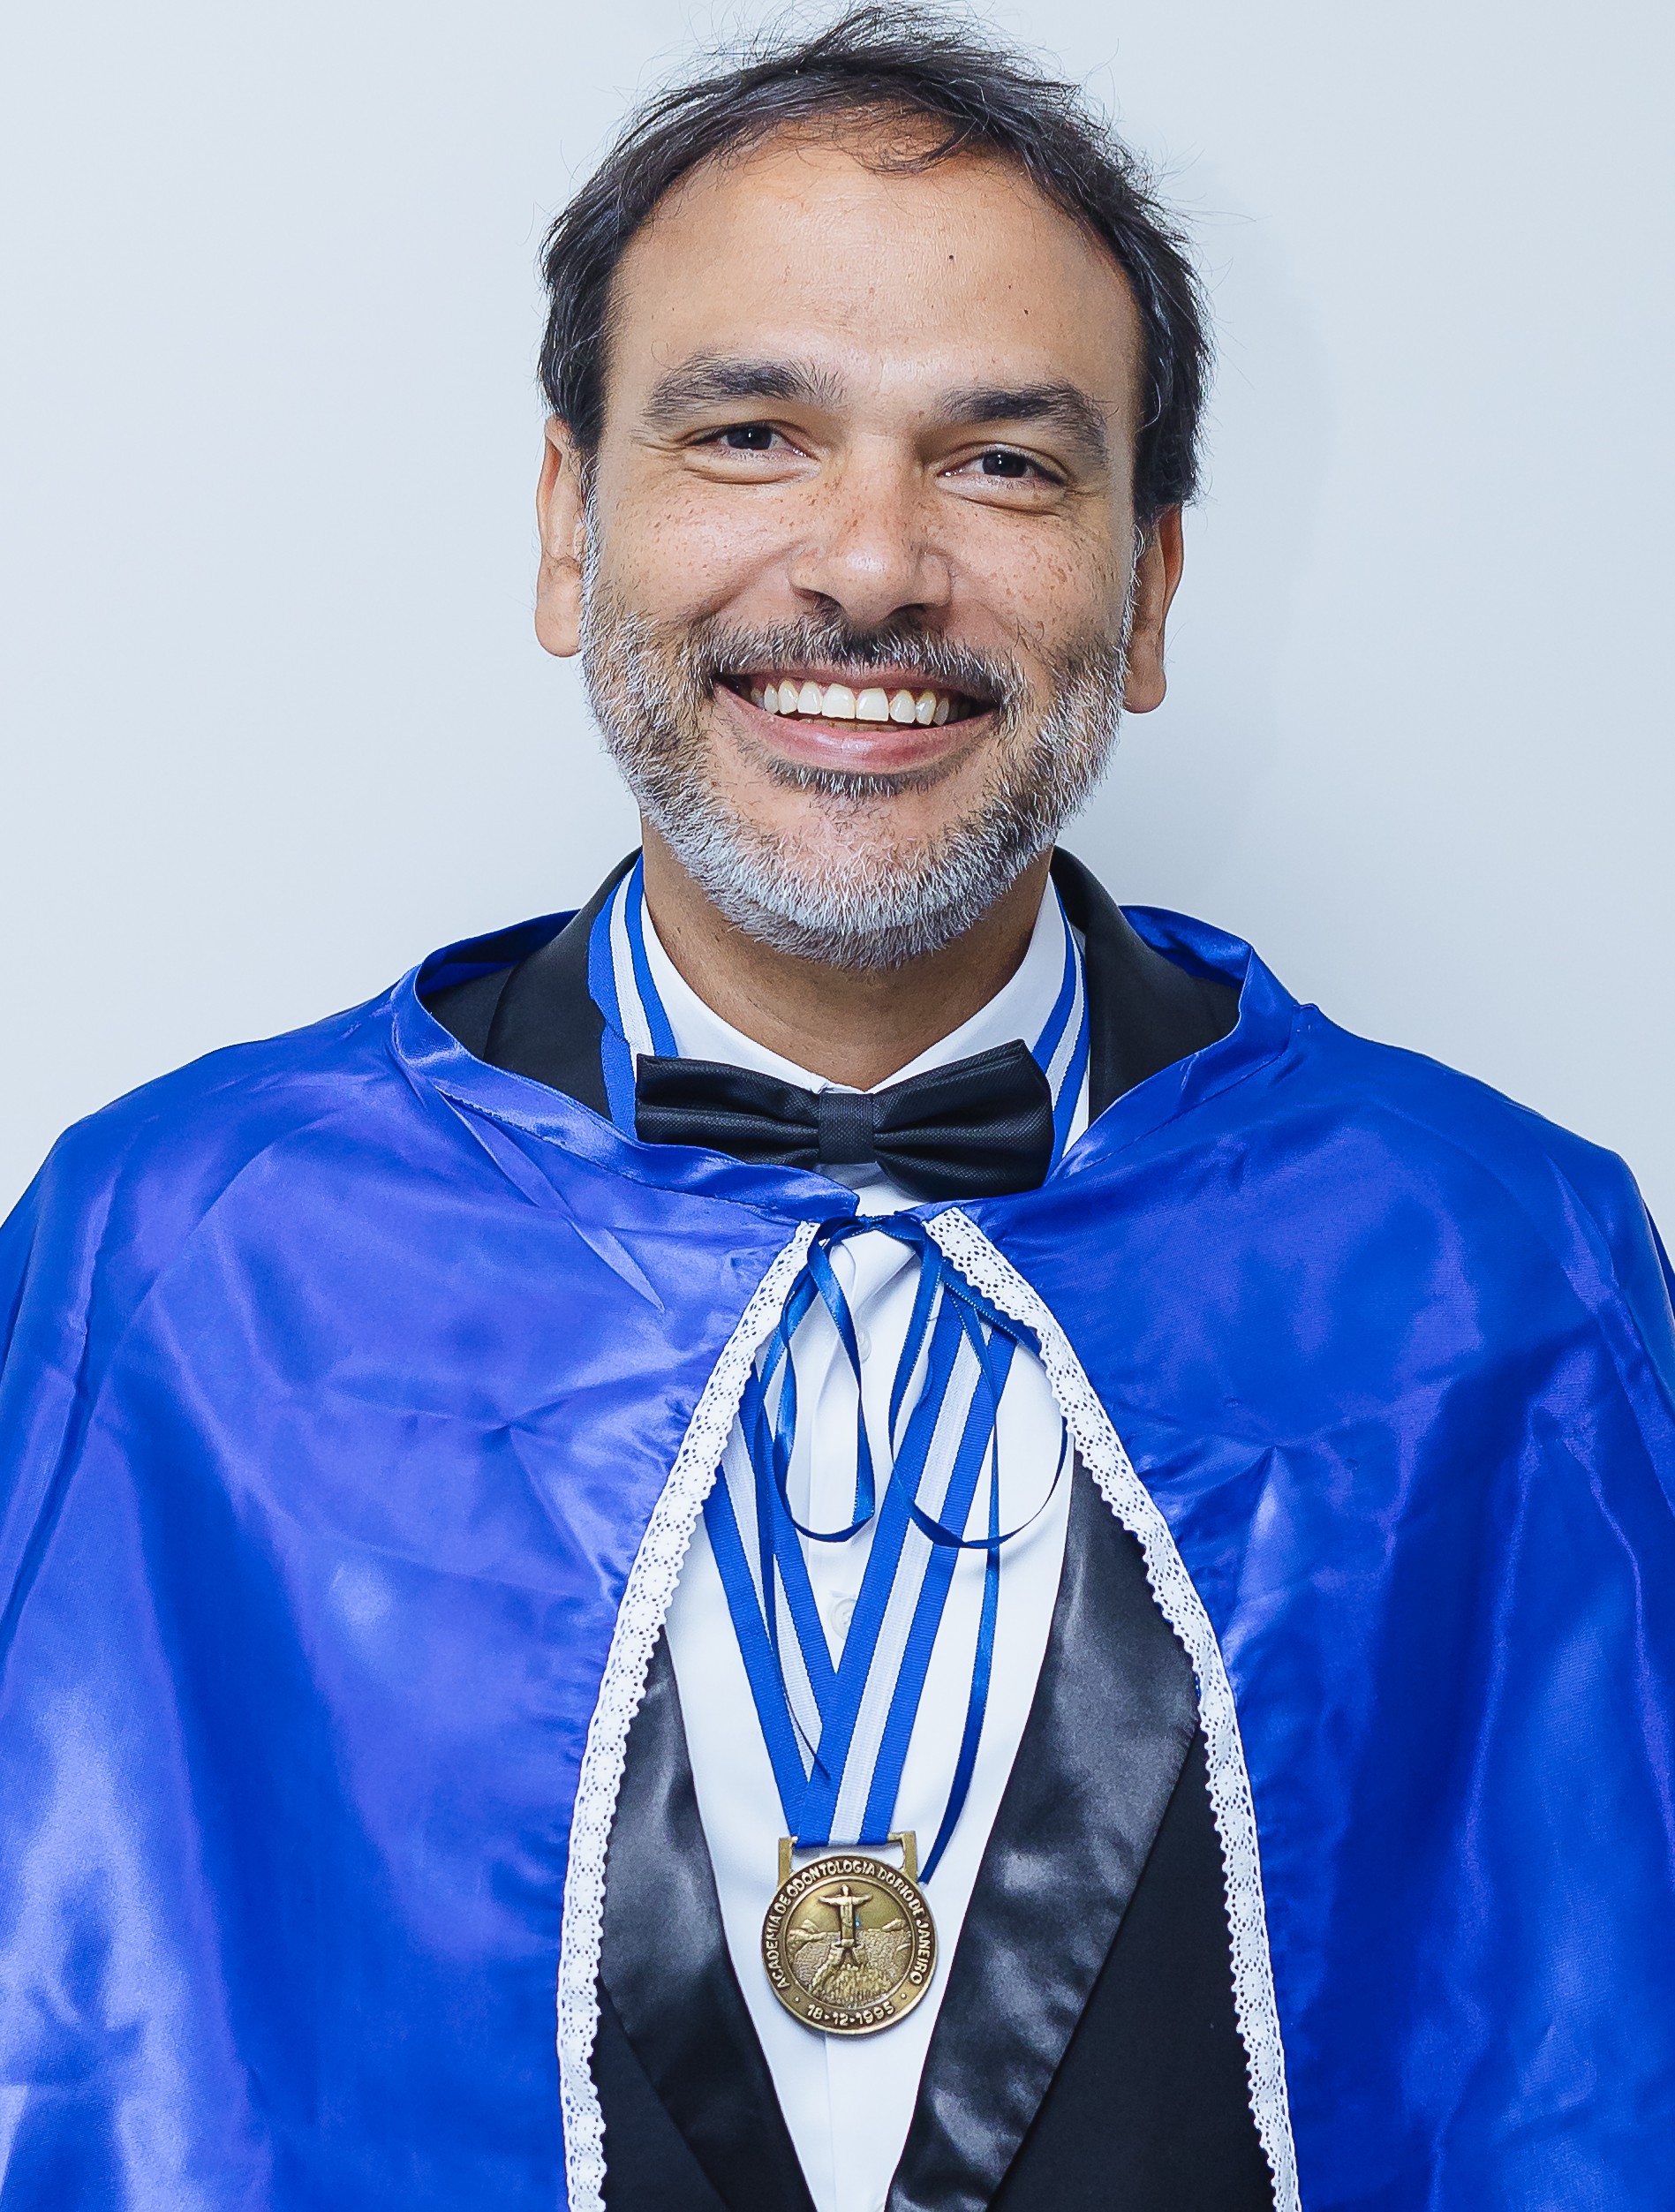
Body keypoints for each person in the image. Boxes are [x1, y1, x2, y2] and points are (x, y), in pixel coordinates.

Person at [2, 9, 1672, 2209]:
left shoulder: (1498, 1266)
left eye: (1005, 465)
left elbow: (1591, 2067)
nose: (871, 565)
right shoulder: (176, 1256)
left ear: (1149, 588)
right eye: (752, 435)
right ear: (568, 528)